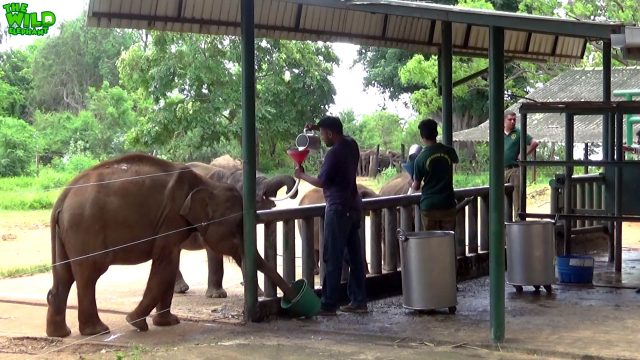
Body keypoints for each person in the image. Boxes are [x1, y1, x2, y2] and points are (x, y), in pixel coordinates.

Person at [293, 115, 368, 315]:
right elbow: (336, 135)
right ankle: (359, 300)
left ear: (330, 133)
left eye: (322, 133)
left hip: (338, 208)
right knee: (354, 256)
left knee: (332, 257)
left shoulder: (333, 154)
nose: (321, 137)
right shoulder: (352, 145)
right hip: (353, 207)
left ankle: (328, 304)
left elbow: (321, 182)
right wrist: (316, 126)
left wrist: (301, 175)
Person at [410, 119, 459, 231]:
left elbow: (416, 186)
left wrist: (412, 183)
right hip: (448, 203)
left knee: (430, 241)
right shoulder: (449, 151)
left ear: (422, 137)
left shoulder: (419, 159)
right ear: (436, 133)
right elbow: (455, 160)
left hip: (429, 206)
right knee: (447, 240)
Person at [504, 110, 539, 220]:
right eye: (510, 119)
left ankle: (518, 224)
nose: (513, 122)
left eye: (514, 119)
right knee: (501, 199)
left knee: (517, 198)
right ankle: (503, 224)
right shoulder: (497, 133)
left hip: (514, 170)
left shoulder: (518, 133)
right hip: (499, 170)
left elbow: (535, 142)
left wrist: (523, 155)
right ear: (504, 121)